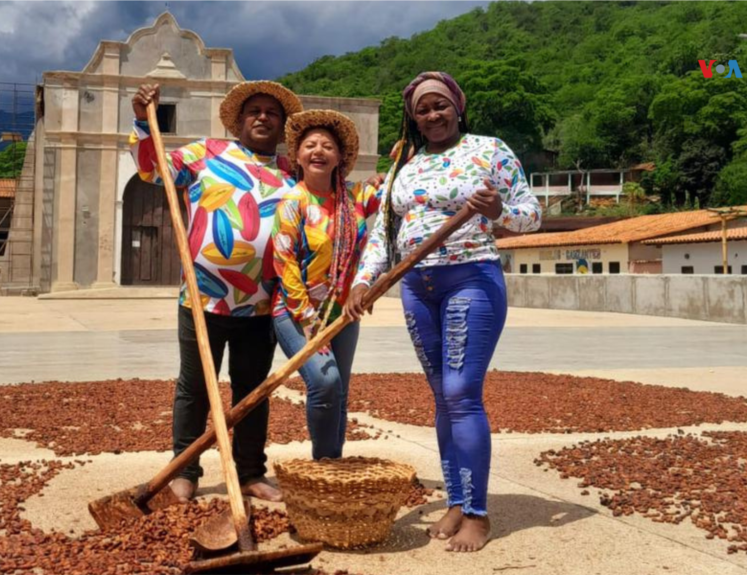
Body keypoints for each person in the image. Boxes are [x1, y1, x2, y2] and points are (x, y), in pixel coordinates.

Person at [345, 71, 542, 552]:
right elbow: (384, 232)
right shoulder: (405, 166)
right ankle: (456, 499)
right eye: (423, 109)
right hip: (417, 286)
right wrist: (363, 281)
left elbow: (532, 216)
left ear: (458, 107)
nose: (433, 115)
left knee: (461, 392)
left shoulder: (489, 151)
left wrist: (497, 211)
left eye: (440, 105)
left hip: (470, 278)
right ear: (413, 118)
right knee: (441, 395)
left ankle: (477, 513)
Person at [130, 80, 304, 503]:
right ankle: (184, 470)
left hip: (261, 304)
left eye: (272, 113)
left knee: (252, 392)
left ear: (282, 125)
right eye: (254, 111)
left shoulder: (292, 172)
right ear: (239, 120)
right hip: (202, 298)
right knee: (194, 388)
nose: (262, 117)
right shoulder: (205, 153)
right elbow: (152, 169)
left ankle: (250, 473)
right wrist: (142, 120)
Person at [270, 110, 380, 460]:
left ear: (339, 158)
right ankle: (323, 462)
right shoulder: (293, 202)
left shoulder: (356, 197)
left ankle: (334, 466)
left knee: (341, 390)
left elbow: (397, 190)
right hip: (297, 311)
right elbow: (284, 261)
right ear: (297, 156)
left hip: (344, 311)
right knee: (325, 381)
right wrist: (306, 316)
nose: (318, 151)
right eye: (310, 145)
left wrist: (393, 167)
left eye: (328, 146)